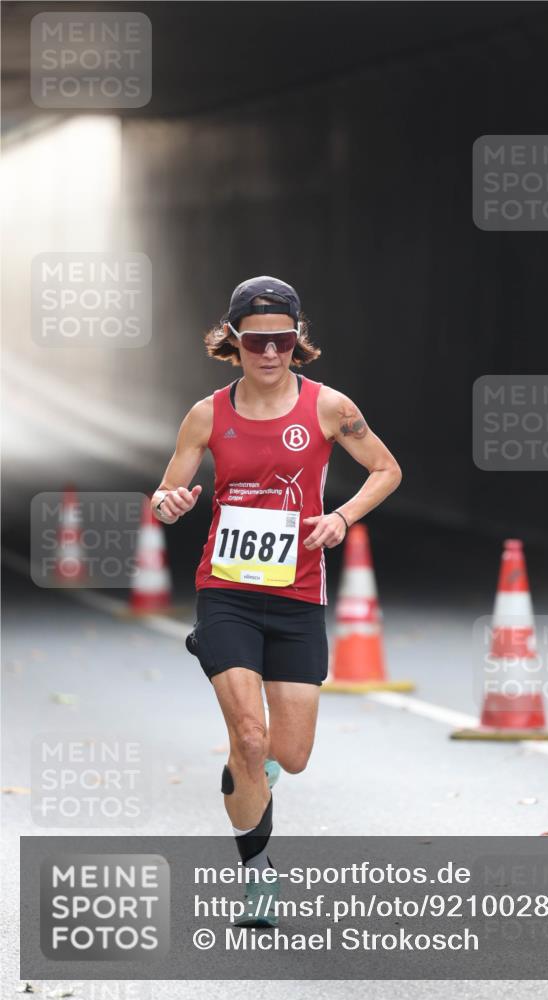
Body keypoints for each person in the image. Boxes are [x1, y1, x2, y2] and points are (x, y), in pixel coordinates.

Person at [151, 276, 401, 925]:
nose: (270, 354)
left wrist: (340, 519)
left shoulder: (328, 408)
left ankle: (252, 774)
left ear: (298, 340)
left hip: (296, 594)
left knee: (288, 754)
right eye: (257, 341)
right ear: (233, 341)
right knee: (250, 734)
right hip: (226, 590)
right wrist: (170, 503)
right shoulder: (207, 413)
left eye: (283, 341)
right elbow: (164, 494)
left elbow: (386, 468)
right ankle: (257, 875)